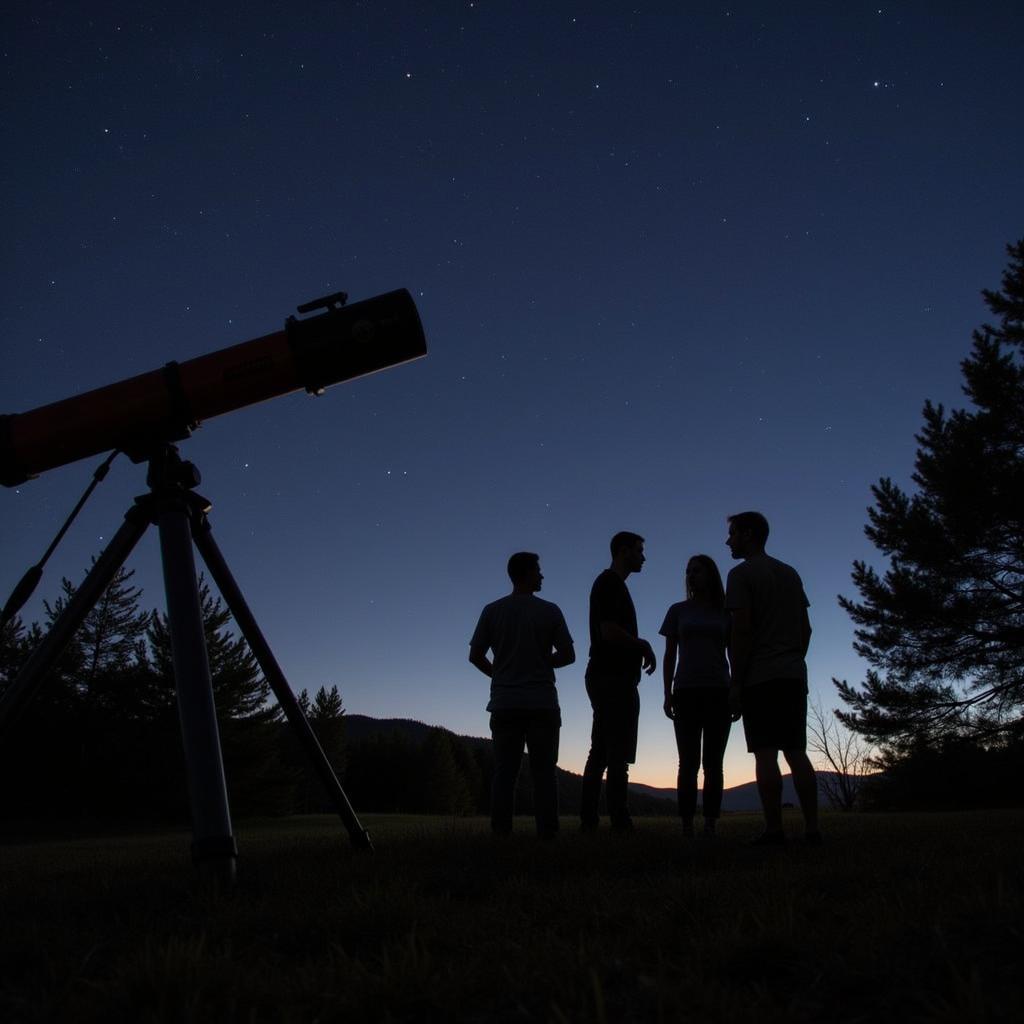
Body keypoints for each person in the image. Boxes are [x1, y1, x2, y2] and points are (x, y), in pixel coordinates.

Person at [724, 511, 820, 844]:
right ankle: (812, 829)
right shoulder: (790, 573)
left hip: (760, 677)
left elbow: (742, 630)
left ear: (748, 534)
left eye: (733, 533)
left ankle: (774, 829)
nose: (728, 540)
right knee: (796, 751)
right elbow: (806, 628)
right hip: (793, 674)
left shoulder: (740, 575)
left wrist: (736, 681)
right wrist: (793, 658)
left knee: (765, 753)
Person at [469, 551, 575, 839]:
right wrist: (542, 661)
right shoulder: (550, 611)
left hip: (505, 704)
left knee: (505, 772)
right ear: (527, 573)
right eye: (538, 571)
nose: (542, 576)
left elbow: (475, 655)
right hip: (542, 703)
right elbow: (569, 654)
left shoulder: (492, 611)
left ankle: (501, 835)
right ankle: (548, 836)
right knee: (544, 773)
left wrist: (500, 674)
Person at [580, 531, 657, 832]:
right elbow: (608, 631)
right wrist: (642, 645)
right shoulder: (610, 583)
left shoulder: (612, 585)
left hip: (606, 676)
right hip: (612, 678)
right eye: (639, 550)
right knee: (616, 753)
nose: (643, 557)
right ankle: (619, 820)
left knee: (601, 750)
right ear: (624, 551)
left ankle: (591, 821)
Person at [660, 554, 732, 838]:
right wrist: (667, 693)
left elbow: (734, 653)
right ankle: (687, 822)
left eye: (697, 570)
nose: (691, 575)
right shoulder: (678, 610)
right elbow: (669, 656)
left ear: (710, 574)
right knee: (688, 762)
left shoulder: (726, 612)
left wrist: (736, 689)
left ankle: (711, 822)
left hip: (718, 691)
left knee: (713, 762)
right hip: (686, 691)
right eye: (688, 570)